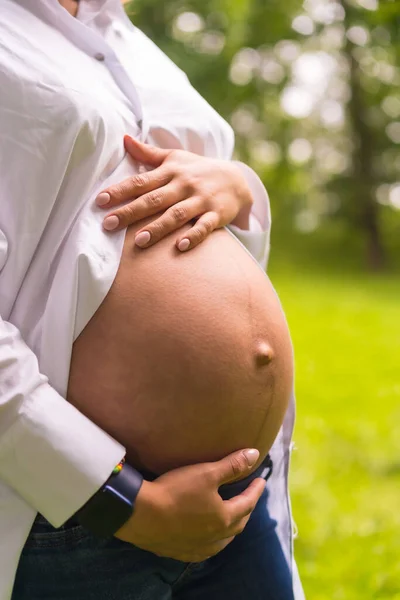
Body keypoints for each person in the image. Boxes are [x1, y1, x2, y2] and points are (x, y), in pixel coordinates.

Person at [0, 0, 305, 598]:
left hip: (239, 495)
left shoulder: (124, 36)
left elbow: (196, 205)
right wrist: (118, 499)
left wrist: (240, 184)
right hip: (84, 520)